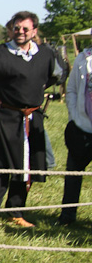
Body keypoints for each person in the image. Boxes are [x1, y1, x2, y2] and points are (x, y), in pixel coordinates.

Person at [0, 11, 62, 231]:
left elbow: (59, 74)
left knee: (27, 166)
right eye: (16, 28)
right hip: (8, 116)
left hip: (33, 117)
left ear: (34, 31)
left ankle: (16, 212)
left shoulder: (46, 54)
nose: (20, 32)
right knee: (1, 164)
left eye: (25, 29)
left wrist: (41, 87)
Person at [59, 43, 92, 225]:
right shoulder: (82, 58)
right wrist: (74, 115)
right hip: (81, 127)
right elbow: (71, 89)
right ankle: (67, 216)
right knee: (73, 174)